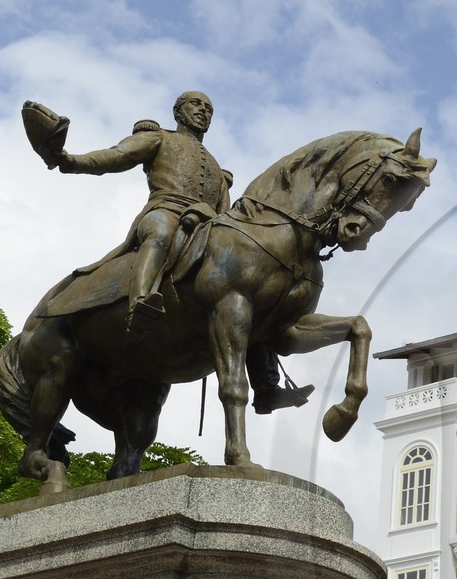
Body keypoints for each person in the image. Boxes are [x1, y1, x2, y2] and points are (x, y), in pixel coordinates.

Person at [39, 92, 312, 414]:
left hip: (206, 226)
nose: (203, 111)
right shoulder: (158, 138)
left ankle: (266, 385)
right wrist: (69, 161)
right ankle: (140, 303)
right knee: (160, 234)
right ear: (178, 112)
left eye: (209, 109)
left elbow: (224, 214)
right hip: (165, 210)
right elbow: (115, 156)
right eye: (196, 105)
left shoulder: (216, 167)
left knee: (248, 288)